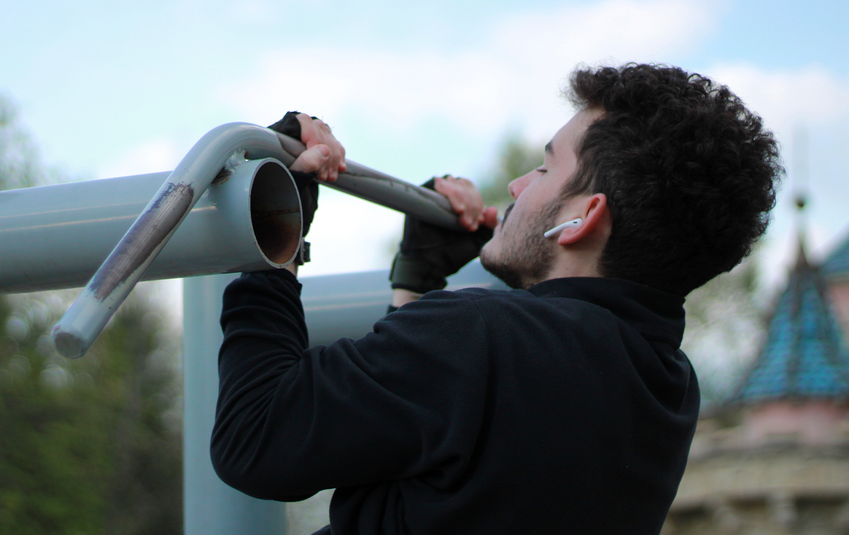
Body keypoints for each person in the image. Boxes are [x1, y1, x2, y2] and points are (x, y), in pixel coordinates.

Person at [211, 63, 784, 534]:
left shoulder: (481, 336)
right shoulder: (666, 385)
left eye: (544, 167)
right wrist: (417, 281)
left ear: (584, 217)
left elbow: (255, 437)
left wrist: (274, 234)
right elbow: (445, 458)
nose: (516, 187)